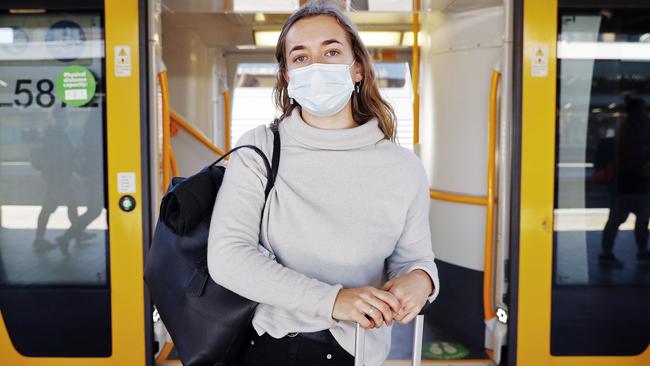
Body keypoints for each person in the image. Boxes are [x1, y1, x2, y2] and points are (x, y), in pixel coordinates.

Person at [207, 1, 440, 365]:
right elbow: (227, 257)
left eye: (331, 52)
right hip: (275, 345)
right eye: (301, 58)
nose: (316, 67)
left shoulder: (403, 167)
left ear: (358, 68)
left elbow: (414, 259)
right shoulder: (260, 148)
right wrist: (334, 301)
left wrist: (421, 281)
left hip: (361, 350)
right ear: (287, 76)